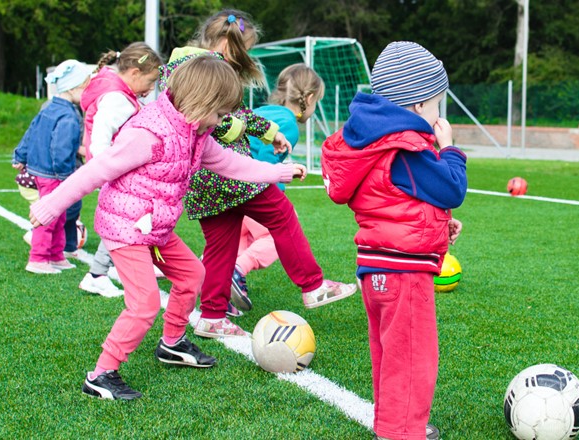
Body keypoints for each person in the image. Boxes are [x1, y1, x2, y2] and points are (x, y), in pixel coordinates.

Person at [29, 56, 307, 400]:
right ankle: (101, 374)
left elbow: (229, 163)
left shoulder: (196, 132)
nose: (223, 122)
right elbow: (96, 170)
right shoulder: (148, 134)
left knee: (193, 275)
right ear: (201, 102)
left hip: (155, 228)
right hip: (126, 228)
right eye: (221, 114)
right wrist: (50, 205)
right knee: (144, 303)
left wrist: (278, 172)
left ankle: (172, 344)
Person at [161, 9, 356, 338]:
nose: (245, 57)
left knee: (222, 245)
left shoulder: (187, 63)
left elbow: (237, 112)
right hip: (227, 173)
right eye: (243, 49)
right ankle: (313, 285)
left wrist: (269, 133)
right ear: (226, 43)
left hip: (203, 180)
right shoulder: (204, 68)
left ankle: (211, 316)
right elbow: (214, 119)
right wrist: (244, 132)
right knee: (281, 215)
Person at [321, 41, 468, 440]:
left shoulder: (373, 141)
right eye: (437, 102)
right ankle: (401, 432)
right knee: (412, 358)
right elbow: (452, 188)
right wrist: (450, 149)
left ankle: (394, 423)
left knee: (389, 354)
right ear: (418, 105)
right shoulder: (405, 147)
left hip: (375, 267)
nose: (439, 112)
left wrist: (441, 225)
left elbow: (396, 200)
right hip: (403, 272)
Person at [230, 63, 326, 316]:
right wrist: (283, 175)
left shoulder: (263, 111)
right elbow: (264, 160)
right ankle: (237, 270)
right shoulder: (289, 125)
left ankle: (218, 286)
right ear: (309, 98)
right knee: (276, 236)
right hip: (251, 190)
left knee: (237, 240)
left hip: (228, 187)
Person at [78, 42, 162, 297]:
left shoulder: (119, 92)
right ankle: (97, 274)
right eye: (149, 82)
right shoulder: (117, 99)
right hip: (116, 172)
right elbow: (101, 139)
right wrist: (108, 169)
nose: (150, 90)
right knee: (125, 221)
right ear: (134, 74)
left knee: (130, 218)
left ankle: (108, 269)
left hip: (116, 170)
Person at [12, 59, 92, 274]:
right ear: (74, 88)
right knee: (49, 216)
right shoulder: (68, 115)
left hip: (43, 170)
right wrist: (66, 176)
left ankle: (56, 255)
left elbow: (31, 131)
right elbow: (61, 148)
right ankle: (38, 258)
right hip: (54, 174)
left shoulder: (49, 108)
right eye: (86, 86)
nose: (88, 92)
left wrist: (20, 154)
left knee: (60, 215)